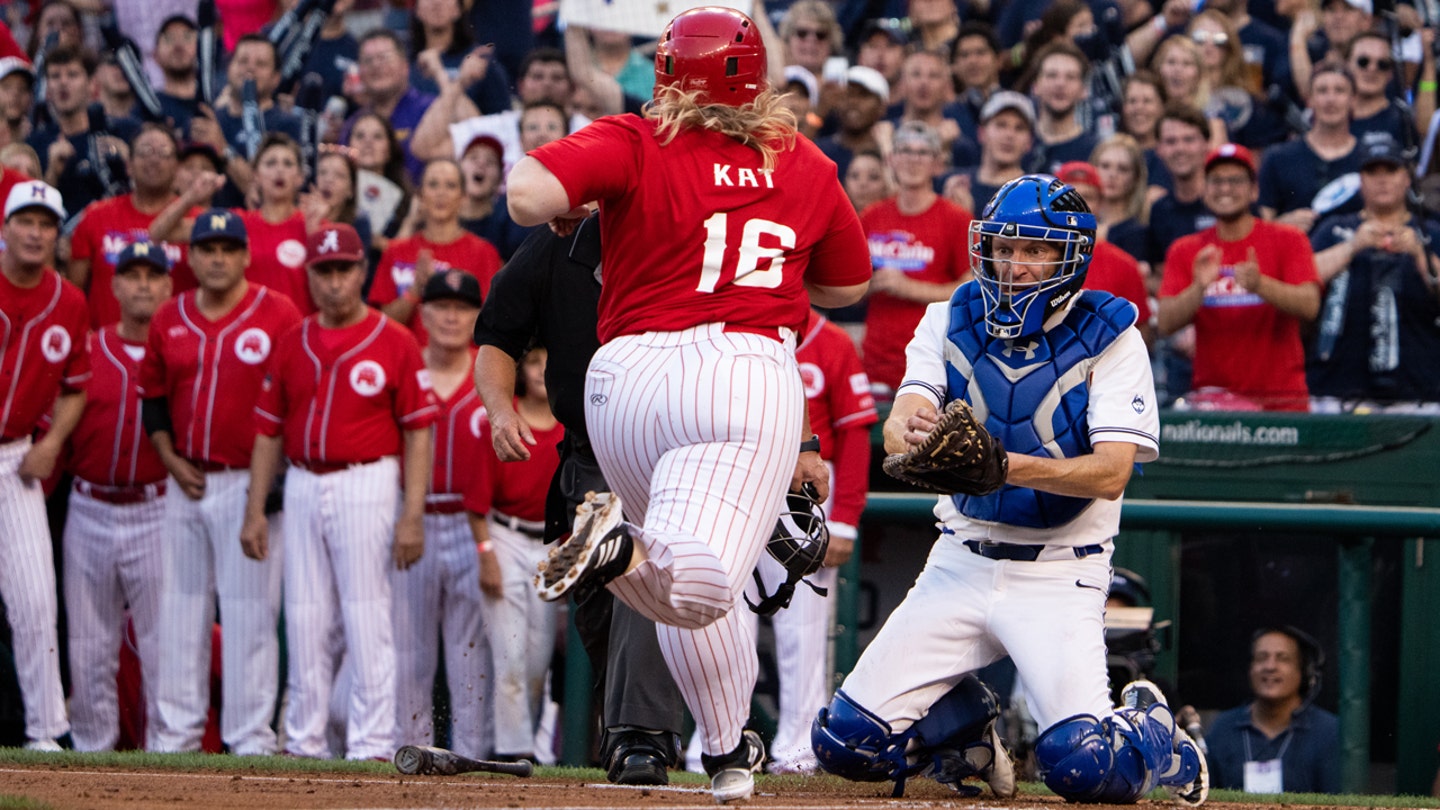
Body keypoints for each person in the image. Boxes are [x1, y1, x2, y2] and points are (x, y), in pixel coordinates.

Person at [506, 7, 871, 802]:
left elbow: (525, 193)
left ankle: (731, 749)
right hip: (741, 372)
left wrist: (583, 206)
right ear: (756, 77)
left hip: (624, 383)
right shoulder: (802, 160)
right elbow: (847, 286)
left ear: (666, 74)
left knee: (690, 583)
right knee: (705, 584)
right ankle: (618, 552)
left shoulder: (634, 138)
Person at [811, 174, 1205, 808]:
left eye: (1035, 250)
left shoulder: (1113, 334)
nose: (1014, 264)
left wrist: (1006, 466)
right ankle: (967, 736)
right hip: (959, 562)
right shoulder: (948, 315)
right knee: (845, 743)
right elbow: (906, 414)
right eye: (1003, 247)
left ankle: (1158, 736)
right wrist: (903, 426)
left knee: (1083, 769)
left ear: (1069, 257)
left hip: (1059, 573)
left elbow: (1111, 472)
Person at [472, 215, 688, 786]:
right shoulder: (553, 244)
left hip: (673, 439)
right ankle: (628, 728)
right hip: (590, 447)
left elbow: (765, 333)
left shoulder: (685, 228)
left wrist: (801, 441)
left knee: (644, 568)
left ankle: (641, 738)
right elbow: (496, 334)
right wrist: (499, 409)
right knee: (599, 610)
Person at [243, 222, 437, 760]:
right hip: (303, 480)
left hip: (368, 478)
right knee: (304, 614)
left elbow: (419, 431)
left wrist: (412, 514)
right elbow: (267, 431)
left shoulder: (393, 339)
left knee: (365, 610)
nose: (334, 281)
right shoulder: (293, 339)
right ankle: (304, 739)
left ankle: (371, 741)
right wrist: (255, 509)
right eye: (324, 270)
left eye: (344, 269)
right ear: (309, 274)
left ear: (361, 271)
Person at [140, 208, 303, 755]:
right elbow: (153, 396)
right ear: (190, 255)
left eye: (227, 249)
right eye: (207, 248)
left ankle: (250, 738)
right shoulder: (170, 315)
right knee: (179, 611)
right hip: (186, 480)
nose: (216, 258)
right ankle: (176, 736)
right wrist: (167, 455)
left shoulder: (278, 313)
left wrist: (264, 497)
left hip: (246, 483)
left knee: (249, 613)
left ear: (245, 255)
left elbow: (289, 404)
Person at [62, 240, 171, 752]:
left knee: (161, 643)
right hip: (89, 505)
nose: (144, 285)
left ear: (169, 286)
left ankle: (167, 750)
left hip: (157, 508)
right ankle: (91, 748)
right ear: (115, 285)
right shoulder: (88, 345)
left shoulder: (175, 351)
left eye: (154, 276)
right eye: (133, 275)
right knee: (88, 644)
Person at [760, 307, 876, 775]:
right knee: (718, 618)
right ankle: (713, 744)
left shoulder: (831, 342)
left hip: (803, 501)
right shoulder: (732, 328)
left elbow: (854, 435)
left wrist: (846, 519)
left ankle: (798, 752)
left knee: (802, 633)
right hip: (736, 485)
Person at [390, 269, 493, 760]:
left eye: (463, 307)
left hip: (473, 524)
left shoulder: (492, 372)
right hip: (414, 519)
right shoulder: (404, 365)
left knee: (469, 656)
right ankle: (408, 750)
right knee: (409, 653)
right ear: (423, 312)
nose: (452, 316)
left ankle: (471, 755)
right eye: (441, 305)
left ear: (476, 316)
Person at [0, 179, 88, 752]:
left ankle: (47, 730)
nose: (35, 232)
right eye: (25, 221)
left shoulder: (70, 301)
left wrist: (53, 440)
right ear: (4, 228)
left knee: (35, 598)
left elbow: (77, 386)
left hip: (14, 459)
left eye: (46, 224)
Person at [1158, 144, 1321, 411]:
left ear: (1254, 189)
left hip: (1281, 402)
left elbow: (1310, 305)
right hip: (1215, 403)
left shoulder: (1289, 239)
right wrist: (1199, 287)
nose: (1225, 189)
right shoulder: (1186, 249)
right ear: (1205, 188)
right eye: (1217, 181)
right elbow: (1165, 322)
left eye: (1235, 181)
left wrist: (1261, 285)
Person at [468, 345, 564, 762]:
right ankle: (512, 751)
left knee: (537, 661)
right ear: (521, 369)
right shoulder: (504, 421)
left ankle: (521, 747)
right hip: (504, 535)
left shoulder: (567, 430)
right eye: (533, 361)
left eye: (549, 361)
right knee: (509, 655)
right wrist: (485, 552)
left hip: (548, 544)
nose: (541, 371)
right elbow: (476, 503)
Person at [1308, 134, 1440, 412]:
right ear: (1360, 180)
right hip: (1338, 386)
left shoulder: (1432, 233)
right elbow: (1303, 279)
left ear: (1407, 177)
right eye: (1372, 171)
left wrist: (1420, 253)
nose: (1382, 179)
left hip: (1418, 389)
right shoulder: (1333, 229)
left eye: (1390, 170)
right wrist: (1352, 247)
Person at [861, 121, 972, 397]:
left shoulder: (956, 218)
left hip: (933, 360)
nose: (913, 159)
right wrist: (870, 285)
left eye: (922, 153)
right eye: (905, 150)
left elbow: (971, 289)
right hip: (875, 364)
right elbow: (849, 284)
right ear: (892, 158)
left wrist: (906, 287)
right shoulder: (872, 216)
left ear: (937, 163)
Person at [67, 124, 193, 329]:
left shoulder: (197, 222)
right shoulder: (96, 216)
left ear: (177, 167)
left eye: (163, 153)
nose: (154, 159)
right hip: (107, 349)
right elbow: (73, 292)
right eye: (144, 152)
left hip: (176, 350)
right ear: (129, 165)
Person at [368, 158, 503, 344]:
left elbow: (490, 325)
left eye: (450, 185)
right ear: (420, 195)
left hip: (464, 367)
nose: (441, 193)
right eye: (433, 185)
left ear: (463, 197)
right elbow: (381, 326)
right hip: (407, 366)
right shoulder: (396, 251)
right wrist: (415, 290)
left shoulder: (484, 253)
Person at [1200, 627, 1340, 793]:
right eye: (1261, 658)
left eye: (1283, 659)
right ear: (1250, 669)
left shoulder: (1329, 732)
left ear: (1303, 671)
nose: (1270, 666)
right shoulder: (1223, 728)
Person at [27, 45, 137, 223]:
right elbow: (31, 213)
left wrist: (131, 161)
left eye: (72, 75)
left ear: (92, 84)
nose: (63, 82)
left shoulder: (124, 131)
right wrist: (52, 173)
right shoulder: (35, 143)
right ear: (47, 89)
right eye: (55, 76)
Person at [1257, 65, 1361, 232]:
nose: (1330, 99)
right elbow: (1259, 226)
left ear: (1353, 100)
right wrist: (1281, 225)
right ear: (1309, 100)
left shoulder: (1369, 159)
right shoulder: (1278, 158)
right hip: (1293, 252)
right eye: (1322, 91)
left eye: (1339, 91)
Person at [944, 90, 1035, 215]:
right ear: (981, 133)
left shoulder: (1034, 196)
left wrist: (964, 218)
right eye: (1001, 125)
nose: (1009, 135)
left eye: (1019, 128)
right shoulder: (955, 185)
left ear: (1029, 142)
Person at [1026, 43, 1098, 175]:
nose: (1060, 84)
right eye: (1052, 75)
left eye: (1070, 77)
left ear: (1084, 90)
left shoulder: (1095, 151)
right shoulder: (1015, 143)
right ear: (1035, 86)